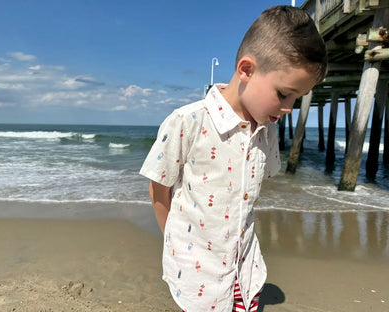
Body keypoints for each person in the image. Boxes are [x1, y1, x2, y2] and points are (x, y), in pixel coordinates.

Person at [140, 5, 327, 312]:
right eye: (283, 94)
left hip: (246, 268)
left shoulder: (266, 131)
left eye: (298, 97)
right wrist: (175, 244)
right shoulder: (187, 121)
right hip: (197, 271)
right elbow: (159, 188)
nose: (289, 107)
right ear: (246, 70)